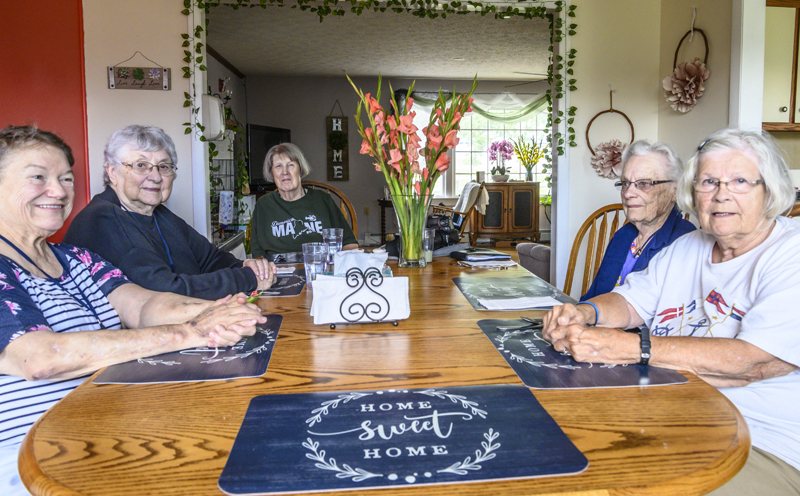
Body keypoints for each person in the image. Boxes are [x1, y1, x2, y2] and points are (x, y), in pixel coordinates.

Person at [0, 126, 267, 493]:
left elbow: (144, 304)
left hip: (108, 429)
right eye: (38, 177)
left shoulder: (76, 258)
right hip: (32, 461)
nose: (59, 190)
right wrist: (191, 331)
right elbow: (41, 357)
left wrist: (222, 312)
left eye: (65, 177)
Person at [543, 129, 800, 495]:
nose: (721, 194)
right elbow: (630, 302)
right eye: (709, 181)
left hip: (763, 441)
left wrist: (634, 349)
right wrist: (583, 313)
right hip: (667, 415)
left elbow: (755, 362)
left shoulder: (790, 253)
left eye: (740, 181)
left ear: (770, 190)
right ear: (693, 192)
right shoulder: (689, 246)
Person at [64, 125, 276, 300]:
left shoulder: (159, 215)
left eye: (164, 166)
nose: (156, 177)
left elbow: (210, 258)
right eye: (141, 165)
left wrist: (246, 266)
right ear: (113, 172)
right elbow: (167, 292)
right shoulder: (103, 220)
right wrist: (247, 277)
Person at [581, 140, 695, 300]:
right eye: (626, 183)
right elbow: (593, 297)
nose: (628, 193)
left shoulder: (685, 242)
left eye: (644, 184)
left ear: (674, 191)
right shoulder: (623, 235)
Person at [249, 143, 358, 258]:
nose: (284, 172)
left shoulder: (323, 200)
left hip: (320, 269)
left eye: (290, 165)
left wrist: (335, 266)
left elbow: (350, 243)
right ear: (272, 172)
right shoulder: (264, 205)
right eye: (278, 166)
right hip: (277, 271)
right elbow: (258, 254)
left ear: (300, 169)